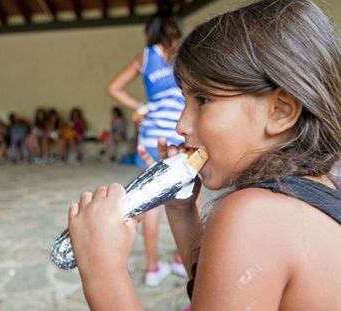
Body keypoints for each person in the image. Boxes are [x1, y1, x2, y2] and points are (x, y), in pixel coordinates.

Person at [68, 0, 341, 309]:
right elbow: (215, 288)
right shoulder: (320, 188)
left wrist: (102, 270)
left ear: (280, 110)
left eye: (202, 99)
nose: (180, 125)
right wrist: (182, 212)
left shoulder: (255, 215)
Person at [107, 13, 187, 285]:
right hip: (180, 133)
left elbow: (114, 88)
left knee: (151, 202)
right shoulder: (185, 53)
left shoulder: (146, 56)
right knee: (189, 198)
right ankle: (181, 259)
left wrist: (139, 107)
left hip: (151, 134)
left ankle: (153, 270)